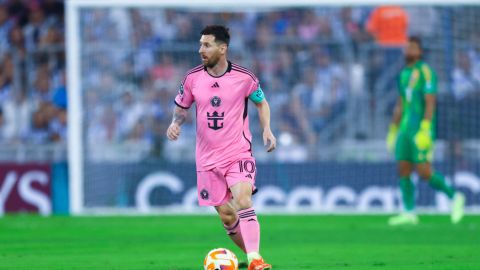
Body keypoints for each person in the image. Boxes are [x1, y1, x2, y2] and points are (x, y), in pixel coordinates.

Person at [166, 25, 275, 270]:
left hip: (238, 152)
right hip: (206, 159)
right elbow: (181, 108)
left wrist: (267, 129)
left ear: (222, 48)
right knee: (227, 215)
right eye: (200, 45)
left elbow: (262, 102)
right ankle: (253, 255)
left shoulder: (244, 77)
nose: (200, 50)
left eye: (206, 45)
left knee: (243, 200)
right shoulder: (192, 78)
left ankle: (255, 259)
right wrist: (175, 123)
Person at [386, 36, 465, 226]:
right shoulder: (404, 74)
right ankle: (409, 212)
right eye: (407, 47)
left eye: (412, 47)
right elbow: (400, 104)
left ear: (420, 51)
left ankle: (455, 197)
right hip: (404, 130)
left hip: (420, 129)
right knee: (403, 168)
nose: (408, 50)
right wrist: (392, 129)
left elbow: (430, 102)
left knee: (423, 171)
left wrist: (425, 128)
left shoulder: (426, 72)